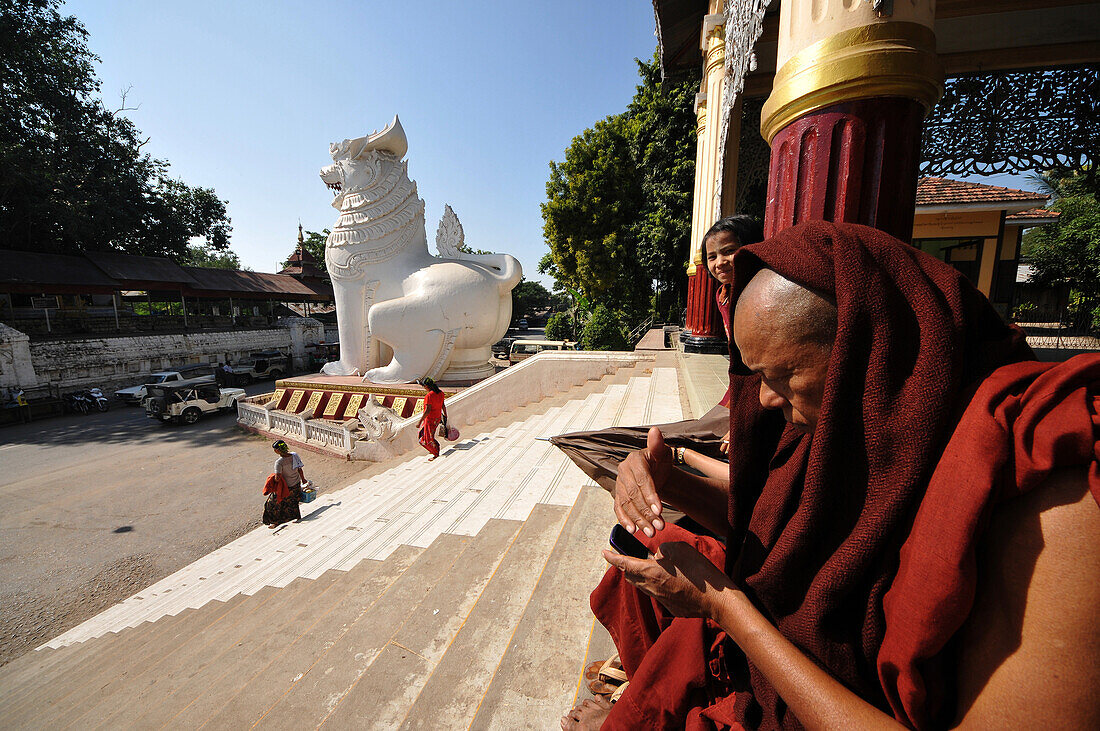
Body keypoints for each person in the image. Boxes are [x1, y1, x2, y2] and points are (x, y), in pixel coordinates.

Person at [562, 221, 1099, 729]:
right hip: (784, 645)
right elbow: (778, 530)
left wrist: (724, 608)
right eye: (756, 374)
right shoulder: (858, 411)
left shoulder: (1052, 480)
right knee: (648, 554)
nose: (766, 399)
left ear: (867, 351)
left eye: (781, 375)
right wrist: (670, 479)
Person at [549, 216, 764, 490]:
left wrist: (742, 421)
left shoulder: (760, 297)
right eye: (711, 256)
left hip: (759, 398)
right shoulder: (725, 294)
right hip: (738, 392)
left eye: (729, 251)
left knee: (675, 444)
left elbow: (764, 369)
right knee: (654, 439)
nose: (719, 262)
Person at [263, 439, 306, 527]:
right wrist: (303, 479)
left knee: (273, 504)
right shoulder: (294, 455)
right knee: (293, 502)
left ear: (277, 450)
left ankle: (276, 522)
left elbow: (277, 477)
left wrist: (272, 480)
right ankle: (298, 517)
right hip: (296, 484)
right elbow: (300, 469)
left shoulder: (279, 462)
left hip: (287, 487)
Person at [416, 377, 448, 461]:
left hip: (430, 419)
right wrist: (445, 415)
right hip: (437, 418)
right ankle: (434, 449)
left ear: (427, 386)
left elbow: (427, 410)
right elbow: (443, 405)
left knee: (426, 439)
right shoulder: (441, 393)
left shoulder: (429, 396)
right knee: (429, 435)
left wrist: (419, 422)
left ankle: (435, 453)